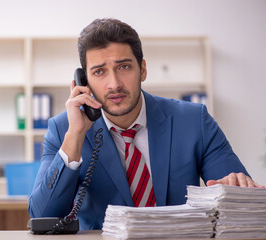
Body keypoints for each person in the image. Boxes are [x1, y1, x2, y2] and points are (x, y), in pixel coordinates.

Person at [28, 18, 264, 230]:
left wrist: (235, 188)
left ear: (142, 69)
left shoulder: (194, 120)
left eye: (124, 67)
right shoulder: (64, 129)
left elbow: (239, 203)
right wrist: (76, 136)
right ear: (84, 82)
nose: (114, 84)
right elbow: (42, 216)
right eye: (99, 72)